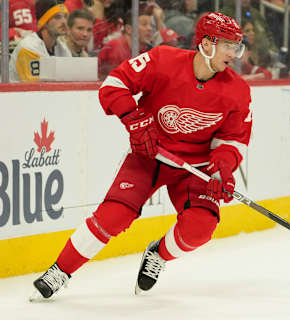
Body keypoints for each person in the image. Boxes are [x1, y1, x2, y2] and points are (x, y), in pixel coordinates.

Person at [31, 11, 252, 300]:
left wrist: (222, 170)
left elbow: (233, 140)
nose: (234, 54)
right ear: (207, 44)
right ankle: (60, 270)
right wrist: (134, 119)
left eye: (237, 46)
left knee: (200, 227)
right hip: (148, 157)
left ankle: (157, 255)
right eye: (228, 45)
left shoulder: (238, 90)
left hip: (194, 168)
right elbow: (113, 85)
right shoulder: (163, 60)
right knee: (113, 216)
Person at [9, 0, 71, 82]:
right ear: (44, 22)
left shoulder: (63, 49)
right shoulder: (28, 48)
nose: (64, 22)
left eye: (65, 16)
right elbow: (36, 90)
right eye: (57, 17)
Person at [97, 9, 153, 80]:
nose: (150, 28)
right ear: (129, 29)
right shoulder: (115, 48)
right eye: (144, 24)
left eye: (151, 25)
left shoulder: (144, 50)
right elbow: (115, 83)